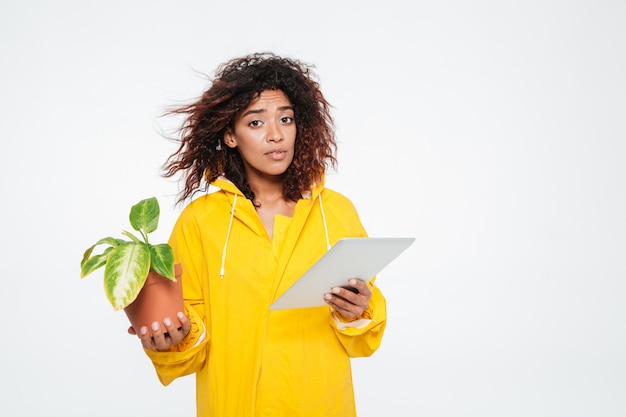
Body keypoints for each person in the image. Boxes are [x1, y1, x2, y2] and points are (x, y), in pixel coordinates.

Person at [132, 52, 387, 417]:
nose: (275, 134)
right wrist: (173, 338)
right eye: (255, 123)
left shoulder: (336, 212)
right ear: (230, 136)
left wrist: (358, 311)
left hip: (320, 403)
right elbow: (187, 336)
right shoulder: (200, 221)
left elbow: (364, 333)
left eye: (286, 119)